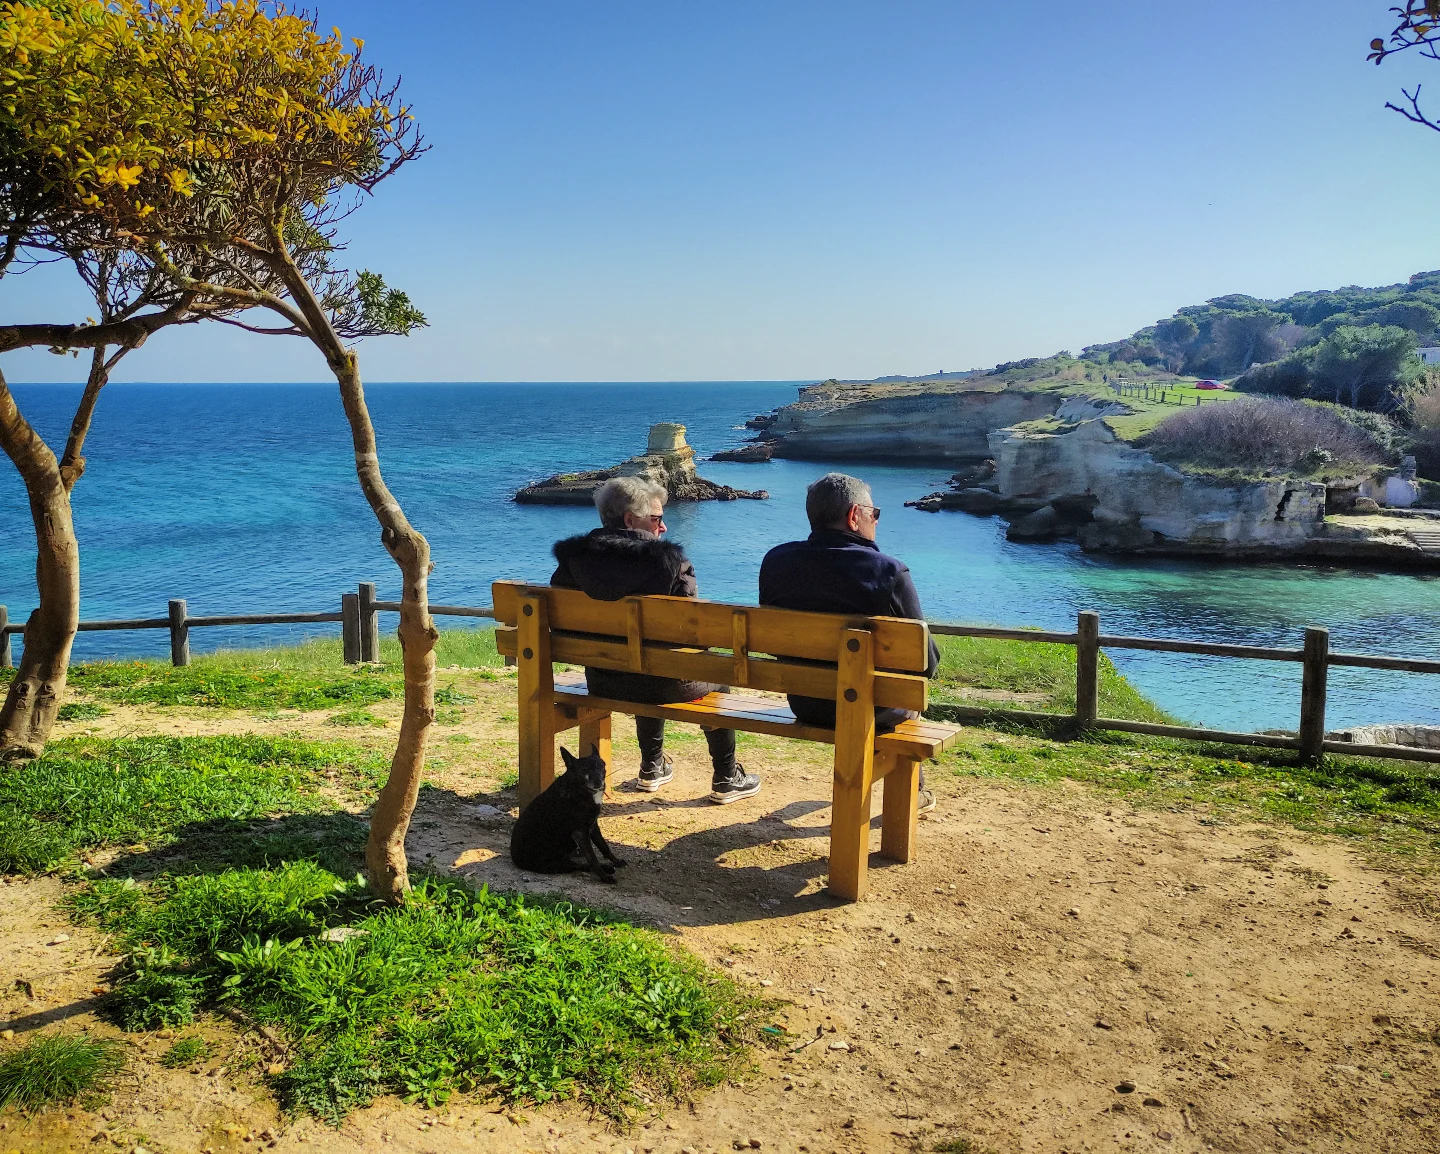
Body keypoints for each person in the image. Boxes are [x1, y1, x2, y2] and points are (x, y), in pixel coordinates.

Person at [550, 475, 761, 804]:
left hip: (603, 680)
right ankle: (726, 775)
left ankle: (652, 766)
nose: (663, 528)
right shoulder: (670, 563)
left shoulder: (572, 562)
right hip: (663, 684)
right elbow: (693, 630)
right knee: (700, 674)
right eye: (658, 519)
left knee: (644, 659)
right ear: (630, 520)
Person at [758, 471, 939, 812]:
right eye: (876, 513)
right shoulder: (889, 572)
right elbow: (925, 662)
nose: (876, 521)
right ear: (855, 516)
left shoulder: (776, 561)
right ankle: (913, 793)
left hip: (806, 701)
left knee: (874, 691)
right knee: (900, 700)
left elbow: (772, 640)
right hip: (873, 707)